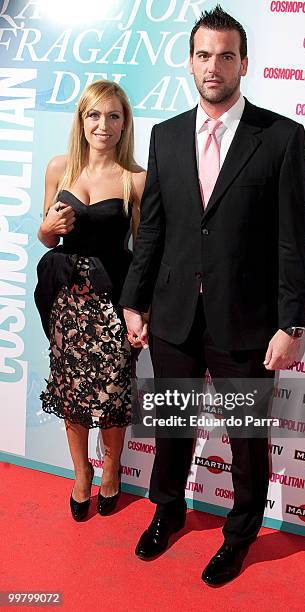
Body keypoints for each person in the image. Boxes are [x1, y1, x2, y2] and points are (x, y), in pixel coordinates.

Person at [121, 5, 305, 586]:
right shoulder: (166, 135)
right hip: (175, 313)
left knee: (246, 441)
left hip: (248, 322)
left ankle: (240, 533)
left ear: (243, 63)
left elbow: (291, 240)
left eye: (225, 55)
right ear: (190, 62)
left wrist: (291, 324)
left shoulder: (280, 138)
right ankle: (167, 511)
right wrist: (135, 299)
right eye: (203, 55)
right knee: (172, 425)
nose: (213, 66)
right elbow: (152, 226)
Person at [35, 80, 146, 521]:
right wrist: (50, 226)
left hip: (111, 301)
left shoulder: (134, 178)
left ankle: (112, 468)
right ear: (82, 120)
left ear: (125, 123)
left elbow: (145, 248)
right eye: (95, 115)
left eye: (114, 115)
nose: (104, 124)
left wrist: (141, 307)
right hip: (66, 301)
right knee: (71, 393)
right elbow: (45, 236)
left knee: (113, 395)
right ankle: (81, 473)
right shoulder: (58, 168)